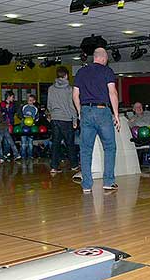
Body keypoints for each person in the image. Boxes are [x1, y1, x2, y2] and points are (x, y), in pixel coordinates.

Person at [73, 47, 120, 193]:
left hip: (86, 111)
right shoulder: (107, 71)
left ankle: (87, 185)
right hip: (102, 111)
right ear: (104, 58)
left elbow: (75, 95)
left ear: (94, 57)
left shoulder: (81, 71)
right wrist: (116, 114)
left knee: (86, 150)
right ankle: (108, 181)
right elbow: (112, 92)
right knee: (110, 147)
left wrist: (81, 112)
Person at [47, 66, 79, 174]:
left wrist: (52, 114)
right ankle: (74, 165)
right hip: (66, 119)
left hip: (55, 119)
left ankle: (54, 167)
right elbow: (72, 106)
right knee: (70, 143)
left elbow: (49, 104)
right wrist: (75, 120)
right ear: (66, 75)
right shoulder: (70, 89)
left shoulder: (51, 88)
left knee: (55, 144)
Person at [19, 94, 38, 159]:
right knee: (23, 143)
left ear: (34, 101)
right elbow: (20, 114)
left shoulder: (35, 109)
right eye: (28, 100)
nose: (29, 101)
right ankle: (23, 156)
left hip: (31, 127)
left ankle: (30, 156)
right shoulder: (24, 107)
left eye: (31, 100)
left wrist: (34, 121)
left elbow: (36, 118)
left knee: (30, 143)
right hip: (23, 126)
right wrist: (23, 118)